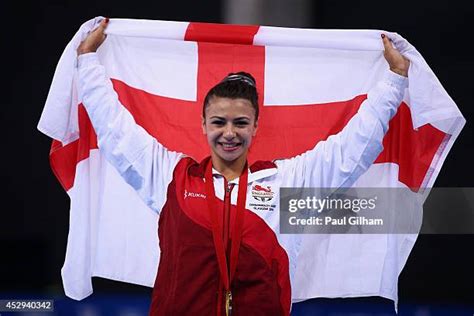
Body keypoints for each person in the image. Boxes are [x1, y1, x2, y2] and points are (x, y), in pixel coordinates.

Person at [76, 18, 410, 316]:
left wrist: (394, 81)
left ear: (255, 128)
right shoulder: (172, 177)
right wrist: (88, 62)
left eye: (241, 123)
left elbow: (351, 150)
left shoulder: (286, 183)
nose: (230, 133)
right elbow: (116, 131)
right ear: (204, 125)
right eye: (219, 122)